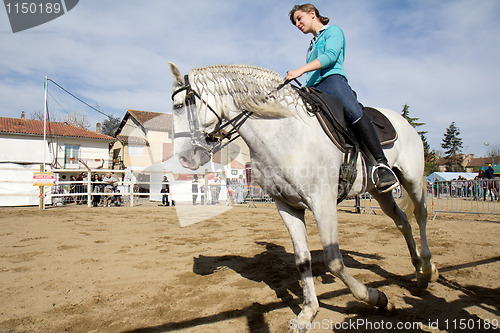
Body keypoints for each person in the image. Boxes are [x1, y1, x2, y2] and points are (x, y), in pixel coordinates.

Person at [286, 4, 398, 193]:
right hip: (313, 89)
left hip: (332, 81)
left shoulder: (333, 31)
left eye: (299, 19)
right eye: (295, 22)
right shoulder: (312, 43)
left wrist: (300, 70)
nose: (297, 24)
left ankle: (382, 165)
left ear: (312, 14)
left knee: (352, 111)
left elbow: (330, 57)